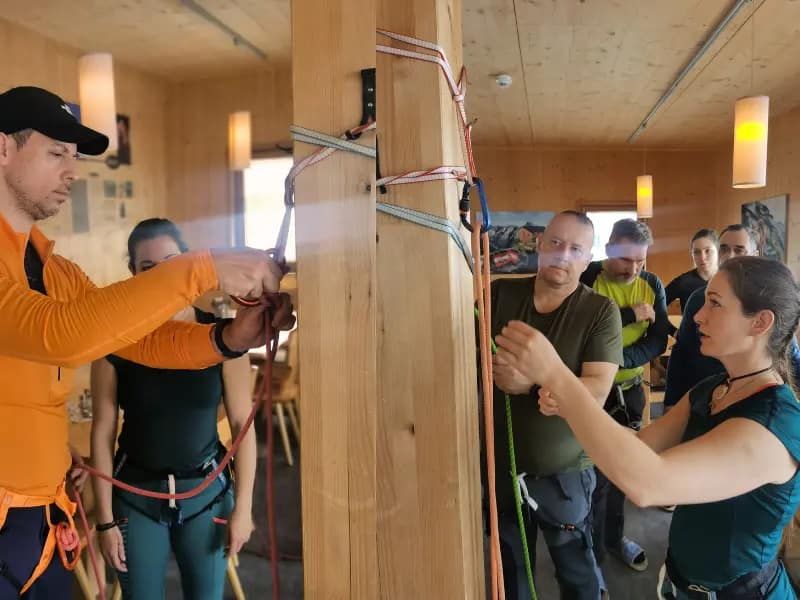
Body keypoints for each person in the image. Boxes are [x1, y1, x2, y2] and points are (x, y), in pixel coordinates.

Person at [0, 85, 292, 599]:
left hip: (45, 518)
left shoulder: (56, 271)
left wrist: (228, 337)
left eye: (74, 156)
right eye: (56, 153)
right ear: (3, 149)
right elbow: (63, 335)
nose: (72, 171)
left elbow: (140, 342)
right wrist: (200, 267)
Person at [496, 256, 800, 599]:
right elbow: (639, 445)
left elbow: (650, 484)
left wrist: (558, 377)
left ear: (760, 322)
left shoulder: (775, 423)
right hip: (681, 582)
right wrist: (569, 407)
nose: (697, 315)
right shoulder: (713, 389)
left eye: (714, 304)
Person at [91, 219, 259, 599]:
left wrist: (244, 508)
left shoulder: (223, 336)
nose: (162, 276)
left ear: (186, 264)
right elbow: (101, 432)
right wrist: (104, 521)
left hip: (206, 496)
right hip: (135, 496)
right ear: (133, 273)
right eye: (148, 268)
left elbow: (242, 425)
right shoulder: (115, 341)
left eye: (171, 262)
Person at [490, 210, 623, 600]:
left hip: (564, 474)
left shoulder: (599, 311)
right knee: (512, 567)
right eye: (555, 243)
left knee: (577, 571)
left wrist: (531, 384)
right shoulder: (500, 293)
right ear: (540, 245)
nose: (563, 255)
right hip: (502, 466)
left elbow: (596, 393)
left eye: (575, 248)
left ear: (587, 258)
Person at [580, 219, 668, 577]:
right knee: (586, 474)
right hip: (588, 394)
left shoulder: (651, 284)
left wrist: (616, 363)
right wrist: (630, 314)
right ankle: (587, 548)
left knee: (618, 474)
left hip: (629, 394)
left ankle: (612, 540)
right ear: (608, 251)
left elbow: (658, 339)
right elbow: (580, 326)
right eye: (625, 260)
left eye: (640, 261)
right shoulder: (587, 278)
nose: (633, 269)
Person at [664, 225, 800, 412]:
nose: (730, 256)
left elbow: (790, 355)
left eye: (739, 250)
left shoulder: (771, 302)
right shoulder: (698, 298)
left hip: (757, 401)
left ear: (754, 255)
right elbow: (682, 352)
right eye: (724, 249)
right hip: (705, 399)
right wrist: (671, 402)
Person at [664, 229, 719, 316]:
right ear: (692, 254)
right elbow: (657, 306)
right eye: (697, 252)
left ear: (718, 251)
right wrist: (671, 329)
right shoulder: (683, 282)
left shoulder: (729, 279)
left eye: (707, 251)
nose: (702, 257)